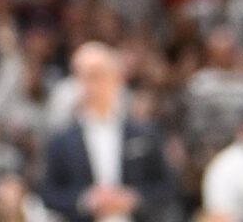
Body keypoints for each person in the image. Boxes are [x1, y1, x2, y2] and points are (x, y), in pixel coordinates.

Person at [38, 42, 179, 222]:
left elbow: (167, 186)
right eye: (83, 76)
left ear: (116, 77)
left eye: (97, 75)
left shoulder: (144, 133)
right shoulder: (61, 140)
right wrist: (85, 200)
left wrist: (133, 198)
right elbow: (48, 192)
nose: (91, 84)